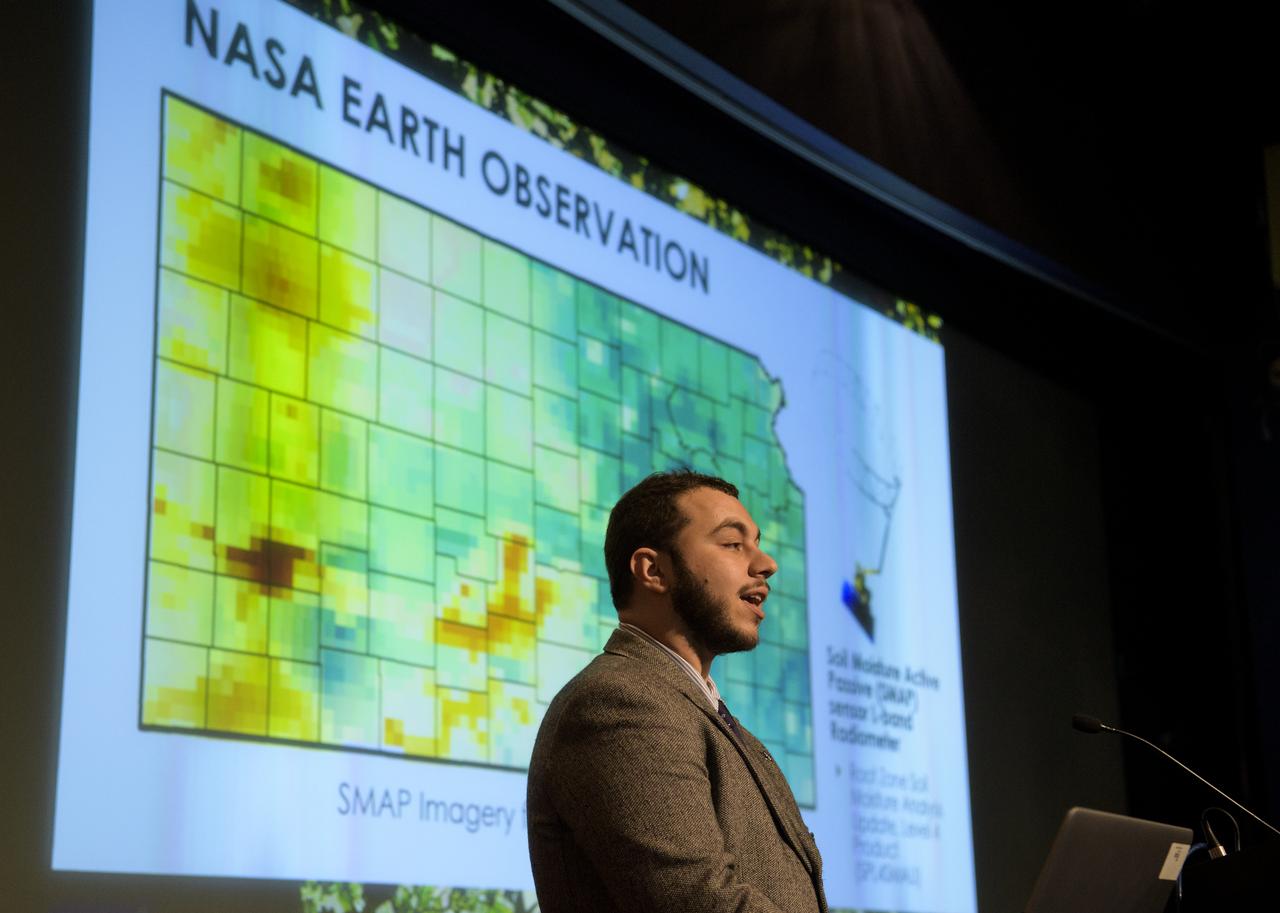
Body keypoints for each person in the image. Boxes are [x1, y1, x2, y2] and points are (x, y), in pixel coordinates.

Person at [527, 469, 826, 913]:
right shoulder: (619, 702)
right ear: (654, 570)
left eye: (757, 543)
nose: (766, 564)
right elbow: (696, 899)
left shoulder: (705, 715)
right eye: (732, 543)